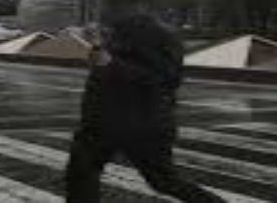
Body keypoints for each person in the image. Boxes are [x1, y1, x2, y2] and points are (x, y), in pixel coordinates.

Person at [64, 12, 225, 203]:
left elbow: (152, 79)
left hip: (138, 128)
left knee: (163, 181)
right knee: (81, 174)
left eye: (113, 32)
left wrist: (108, 62)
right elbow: (104, 75)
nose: (109, 34)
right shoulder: (123, 52)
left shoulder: (153, 58)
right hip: (105, 127)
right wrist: (98, 50)